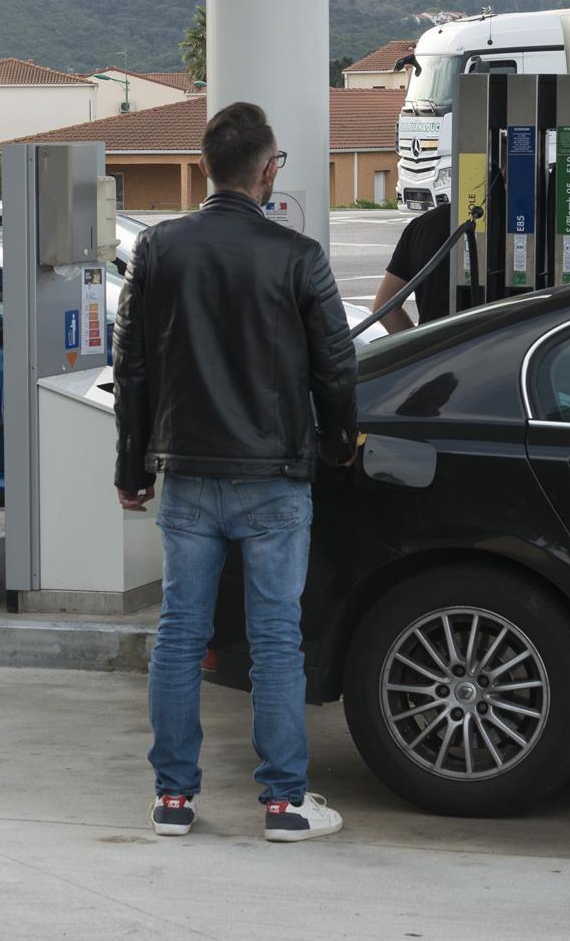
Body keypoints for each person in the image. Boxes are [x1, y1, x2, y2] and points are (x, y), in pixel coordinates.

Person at [113, 102, 357, 843]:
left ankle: (173, 800)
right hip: (276, 474)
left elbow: (132, 366)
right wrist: (341, 441)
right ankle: (284, 804)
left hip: (186, 471)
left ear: (204, 169)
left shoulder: (158, 248)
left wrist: (132, 463)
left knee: (180, 632)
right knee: (277, 637)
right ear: (268, 169)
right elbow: (336, 365)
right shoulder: (298, 255)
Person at [370, 200, 453, 332]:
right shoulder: (492, 225)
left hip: (436, 347)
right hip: (489, 347)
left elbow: (384, 308)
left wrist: (421, 347)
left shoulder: (423, 225)